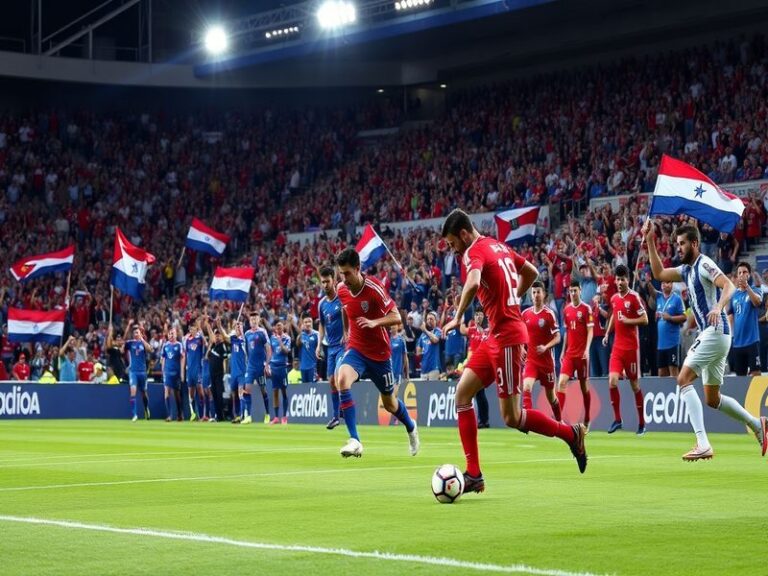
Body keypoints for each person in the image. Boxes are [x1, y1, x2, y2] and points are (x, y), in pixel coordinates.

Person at [441, 209, 587, 494]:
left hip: (507, 337)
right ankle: (474, 474)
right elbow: (531, 272)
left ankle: (571, 433)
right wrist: (511, 298)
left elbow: (473, 282)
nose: (453, 250)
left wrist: (458, 316)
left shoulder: (473, 251)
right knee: (462, 394)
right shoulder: (499, 246)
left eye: (452, 243)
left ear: (464, 234)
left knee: (512, 417)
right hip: (495, 336)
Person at [644, 220, 767, 460]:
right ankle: (757, 423)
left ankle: (702, 443)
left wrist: (718, 307)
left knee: (683, 379)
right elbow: (659, 273)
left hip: (715, 330)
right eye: (677, 244)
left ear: (694, 244)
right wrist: (649, 240)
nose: (678, 248)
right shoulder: (686, 270)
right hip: (714, 334)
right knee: (712, 398)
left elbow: (728, 285)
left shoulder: (704, 264)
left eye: (682, 243)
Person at [334, 247, 419, 458]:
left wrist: (375, 322)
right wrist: (346, 330)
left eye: (347, 273)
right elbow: (345, 308)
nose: (344, 279)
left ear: (358, 268)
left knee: (390, 404)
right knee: (342, 379)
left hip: (380, 356)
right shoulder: (342, 289)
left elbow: (396, 317)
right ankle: (355, 440)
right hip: (356, 349)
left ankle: (411, 426)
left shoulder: (374, 288)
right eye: (341, 274)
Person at [602, 264, 648, 435]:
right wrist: (607, 333)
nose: (620, 282)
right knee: (612, 381)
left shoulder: (634, 297)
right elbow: (615, 316)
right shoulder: (614, 298)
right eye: (618, 279)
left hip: (631, 349)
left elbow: (645, 319)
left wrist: (628, 321)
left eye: (623, 279)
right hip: (617, 348)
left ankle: (642, 423)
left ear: (628, 280)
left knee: (635, 386)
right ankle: (617, 420)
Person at [521, 281, 562, 421]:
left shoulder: (549, 314)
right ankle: (528, 420)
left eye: (538, 292)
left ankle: (559, 421)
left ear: (544, 294)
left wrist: (545, 347)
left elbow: (558, 337)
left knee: (551, 397)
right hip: (531, 360)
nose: (536, 295)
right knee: (526, 386)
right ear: (531, 295)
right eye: (533, 292)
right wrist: (521, 348)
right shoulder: (525, 314)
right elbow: (520, 335)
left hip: (546, 363)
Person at [557, 280, 593, 428]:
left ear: (580, 291)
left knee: (584, 387)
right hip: (570, 355)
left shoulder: (586, 309)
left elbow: (590, 330)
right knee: (561, 383)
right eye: (571, 291)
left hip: (582, 355)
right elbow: (567, 332)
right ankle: (558, 420)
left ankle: (587, 418)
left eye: (575, 291)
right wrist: (563, 351)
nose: (573, 293)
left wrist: (587, 349)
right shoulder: (566, 309)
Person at [317, 266, 345, 429]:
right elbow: (321, 324)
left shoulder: (341, 298)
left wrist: (346, 333)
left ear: (334, 281)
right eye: (323, 282)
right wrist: (319, 344)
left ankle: (344, 406)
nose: (325, 285)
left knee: (338, 375)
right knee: (331, 381)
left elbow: (350, 315)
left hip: (343, 345)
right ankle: (336, 416)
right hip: (330, 347)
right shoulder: (321, 304)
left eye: (328, 281)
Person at [728, 262, 762, 376]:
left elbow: (757, 302)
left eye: (744, 272)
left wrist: (747, 286)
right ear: (737, 276)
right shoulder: (733, 295)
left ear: (749, 275)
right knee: (740, 378)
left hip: (752, 341)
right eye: (740, 273)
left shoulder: (756, 289)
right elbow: (729, 314)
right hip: (737, 343)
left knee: (756, 374)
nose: (742, 275)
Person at [647, 281, 686, 377]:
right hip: (661, 345)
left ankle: (677, 387)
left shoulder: (676, 298)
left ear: (672, 284)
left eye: (668, 283)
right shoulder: (659, 297)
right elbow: (652, 291)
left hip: (672, 343)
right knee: (661, 373)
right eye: (663, 283)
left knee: (673, 373)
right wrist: (648, 281)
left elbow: (684, 317)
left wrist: (670, 318)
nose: (665, 285)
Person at [460, 309, 490, 428]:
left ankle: (483, 420)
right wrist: (461, 314)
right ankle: (483, 420)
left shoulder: (486, 331)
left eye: (480, 315)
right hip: (472, 365)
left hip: (482, 365)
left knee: (479, 393)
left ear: (484, 317)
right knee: (478, 394)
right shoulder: (472, 330)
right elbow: (462, 330)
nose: (478, 317)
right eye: (476, 315)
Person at [117, 324, 151, 421]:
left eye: (137, 332)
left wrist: (142, 339)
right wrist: (122, 346)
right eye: (134, 333)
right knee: (133, 391)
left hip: (142, 371)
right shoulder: (130, 343)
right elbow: (122, 351)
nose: (135, 334)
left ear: (141, 334)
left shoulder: (143, 343)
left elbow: (150, 349)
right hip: (133, 371)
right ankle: (134, 414)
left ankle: (146, 408)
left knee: (144, 393)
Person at [245, 311, 272, 424]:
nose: (254, 321)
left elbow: (268, 349)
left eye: (255, 319)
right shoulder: (247, 334)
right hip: (250, 367)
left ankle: (267, 414)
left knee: (263, 391)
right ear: (249, 321)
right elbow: (247, 350)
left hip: (260, 366)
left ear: (259, 320)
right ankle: (248, 416)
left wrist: (267, 364)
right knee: (247, 389)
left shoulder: (262, 332)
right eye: (252, 319)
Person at [222, 319, 248, 423]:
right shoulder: (233, 339)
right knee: (234, 394)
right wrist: (219, 326)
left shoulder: (244, 340)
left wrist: (241, 331)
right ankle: (236, 415)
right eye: (237, 326)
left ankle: (242, 415)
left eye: (240, 326)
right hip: (234, 372)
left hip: (242, 371)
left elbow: (245, 342)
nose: (238, 327)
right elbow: (225, 337)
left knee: (241, 393)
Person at [204, 317, 228, 422]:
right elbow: (206, 357)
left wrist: (225, 374)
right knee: (214, 395)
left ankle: (221, 416)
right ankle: (218, 416)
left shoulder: (223, 346)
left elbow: (225, 361)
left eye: (219, 335)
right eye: (216, 335)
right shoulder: (213, 346)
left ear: (222, 337)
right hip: (212, 374)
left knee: (219, 395)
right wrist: (208, 325)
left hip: (219, 375)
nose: (217, 337)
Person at [268, 321, 292, 424]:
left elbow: (286, 351)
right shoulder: (272, 338)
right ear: (274, 327)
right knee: (275, 391)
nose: (278, 327)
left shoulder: (287, 338)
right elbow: (270, 351)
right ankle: (276, 417)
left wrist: (280, 341)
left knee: (284, 391)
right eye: (276, 326)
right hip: (274, 367)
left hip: (282, 367)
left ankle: (284, 416)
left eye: (280, 325)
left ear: (283, 327)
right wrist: (267, 364)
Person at [183, 320, 206, 421]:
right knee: (191, 393)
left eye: (194, 328)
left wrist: (201, 330)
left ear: (196, 329)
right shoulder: (187, 340)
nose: (192, 330)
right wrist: (184, 369)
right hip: (190, 370)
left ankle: (203, 414)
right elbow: (186, 355)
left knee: (200, 392)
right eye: (191, 329)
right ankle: (193, 413)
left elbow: (206, 343)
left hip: (198, 369)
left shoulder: (199, 338)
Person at [161, 327, 184, 422]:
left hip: (176, 373)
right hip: (168, 372)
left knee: (176, 394)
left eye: (173, 333)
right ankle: (169, 415)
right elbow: (163, 359)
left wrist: (182, 373)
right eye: (170, 334)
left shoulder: (179, 345)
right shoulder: (165, 346)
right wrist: (163, 371)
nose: (171, 335)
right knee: (166, 393)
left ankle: (179, 414)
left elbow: (182, 358)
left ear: (176, 335)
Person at [416, 311, 442, 379]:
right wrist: (420, 353)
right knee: (423, 386)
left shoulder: (438, 331)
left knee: (433, 386)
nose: (429, 321)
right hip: (424, 368)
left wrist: (425, 330)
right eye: (428, 319)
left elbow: (435, 340)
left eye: (431, 319)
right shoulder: (422, 335)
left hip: (434, 368)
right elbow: (418, 351)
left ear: (435, 321)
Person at [297, 316, 319, 384]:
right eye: (305, 322)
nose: (308, 324)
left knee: (312, 386)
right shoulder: (301, 335)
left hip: (313, 366)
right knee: (304, 387)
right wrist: (300, 332)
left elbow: (320, 349)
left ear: (312, 323)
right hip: (303, 367)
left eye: (309, 322)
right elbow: (297, 344)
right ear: (303, 324)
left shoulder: (316, 334)